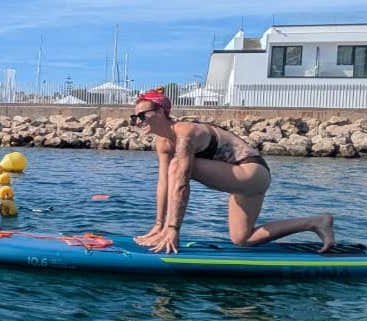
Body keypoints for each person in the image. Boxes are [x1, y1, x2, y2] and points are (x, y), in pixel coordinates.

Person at [131, 87, 335, 254]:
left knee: (178, 167)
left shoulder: (184, 133)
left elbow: (181, 182)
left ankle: (169, 229)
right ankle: (316, 222)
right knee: (242, 238)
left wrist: (173, 229)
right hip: (240, 180)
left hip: (251, 171)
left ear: (160, 112)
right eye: (134, 117)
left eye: (142, 115)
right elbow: (164, 184)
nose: (138, 121)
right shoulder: (163, 143)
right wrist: (159, 225)